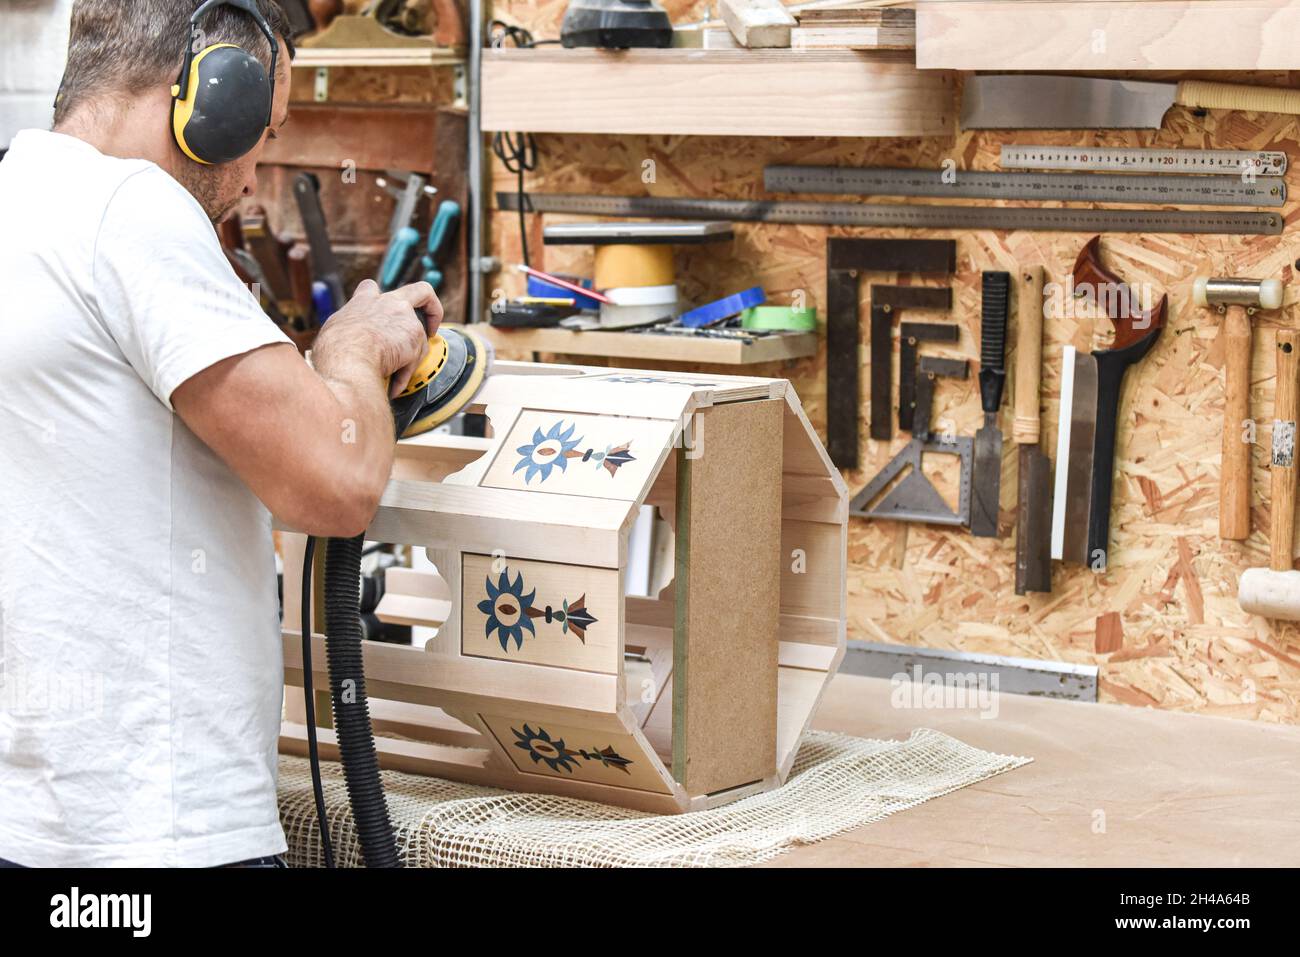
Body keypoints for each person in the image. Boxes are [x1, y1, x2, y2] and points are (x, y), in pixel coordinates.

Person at [0, 0, 437, 866]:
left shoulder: (21, 194)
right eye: (261, 132)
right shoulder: (130, 210)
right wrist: (350, 349)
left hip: (42, 814)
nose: (249, 174)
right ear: (210, 96)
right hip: (161, 823)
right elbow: (335, 483)